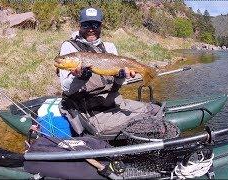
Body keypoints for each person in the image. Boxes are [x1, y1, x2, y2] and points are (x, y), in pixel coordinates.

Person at [58, 7, 160, 136]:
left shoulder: (109, 47)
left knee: (155, 110)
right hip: (91, 113)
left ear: (101, 26)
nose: (91, 29)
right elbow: (66, 88)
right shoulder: (70, 47)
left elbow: (116, 82)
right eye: (86, 24)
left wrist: (120, 77)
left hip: (113, 103)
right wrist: (80, 78)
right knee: (149, 121)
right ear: (80, 25)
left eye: (95, 24)